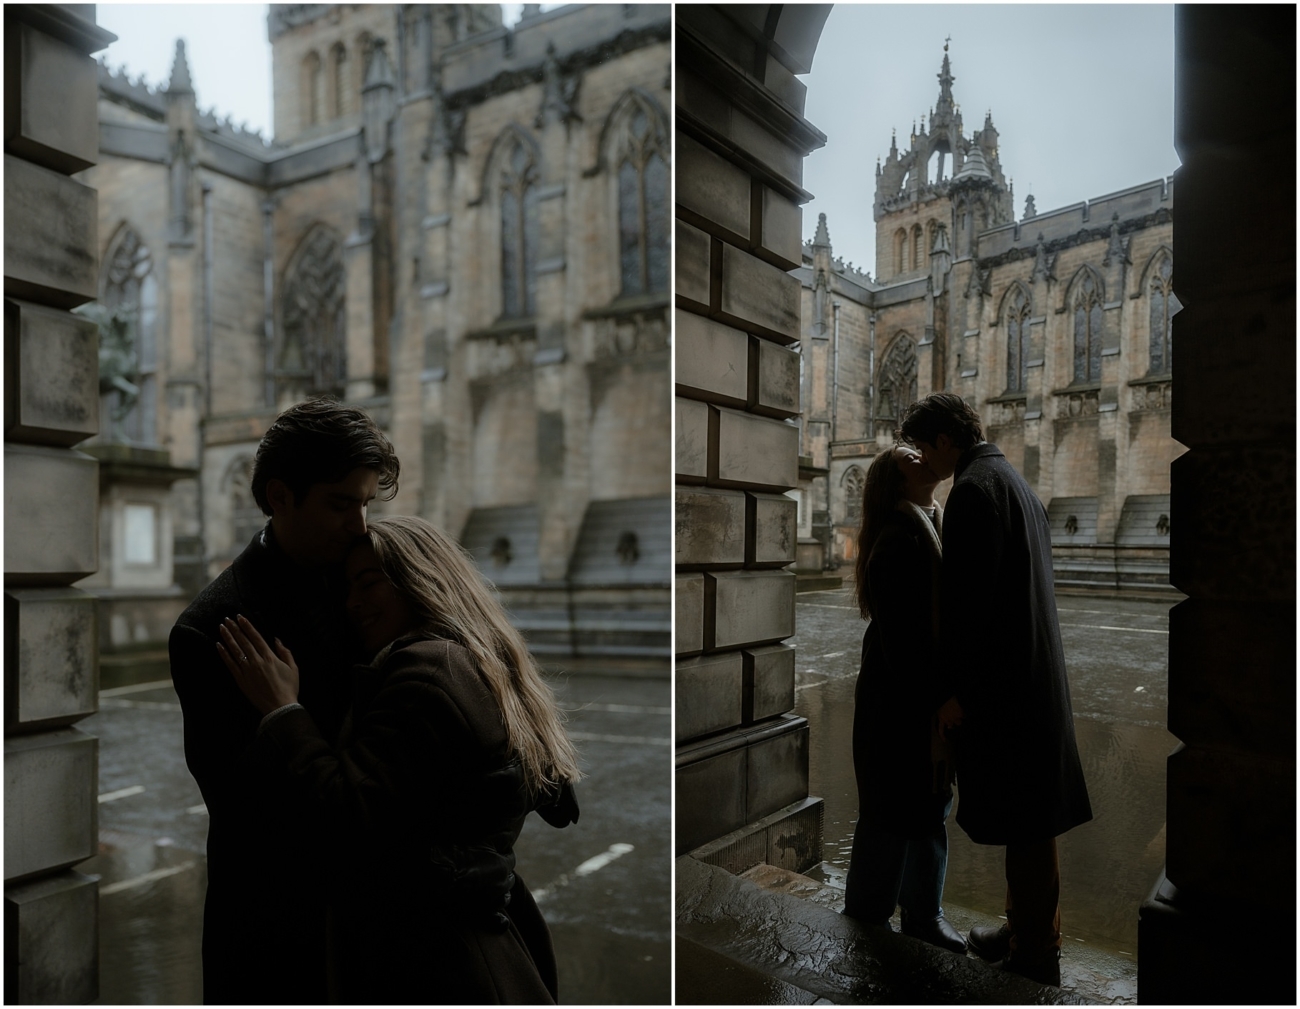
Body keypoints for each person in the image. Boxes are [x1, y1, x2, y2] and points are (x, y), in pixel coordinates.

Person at [217, 514, 582, 1004]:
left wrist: (283, 711)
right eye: (348, 587)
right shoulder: (469, 656)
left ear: (421, 581)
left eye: (369, 584)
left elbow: (347, 815)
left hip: (440, 962)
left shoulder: (427, 670)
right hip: (472, 942)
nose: (352, 603)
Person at [168, 398, 401, 1003]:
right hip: (279, 934)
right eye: (340, 503)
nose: (360, 524)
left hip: (385, 926)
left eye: (367, 504)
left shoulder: (371, 583)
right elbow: (246, 811)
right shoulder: (212, 626)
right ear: (280, 497)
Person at [900, 392, 1093, 987]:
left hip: (1008, 691)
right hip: (1033, 680)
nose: (922, 463)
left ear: (943, 442)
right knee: (1030, 818)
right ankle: (1024, 927)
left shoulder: (973, 491)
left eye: (922, 450)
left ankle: (1036, 953)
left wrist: (954, 691)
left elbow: (968, 611)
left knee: (1028, 823)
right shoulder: (1012, 481)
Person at [842, 445, 966, 955]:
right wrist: (939, 698)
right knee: (892, 811)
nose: (921, 459)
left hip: (912, 698)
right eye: (908, 459)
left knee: (929, 806)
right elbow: (902, 640)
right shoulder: (897, 539)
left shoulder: (930, 526)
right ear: (896, 484)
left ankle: (922, 913)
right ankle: (870, 917)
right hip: (897, 704)